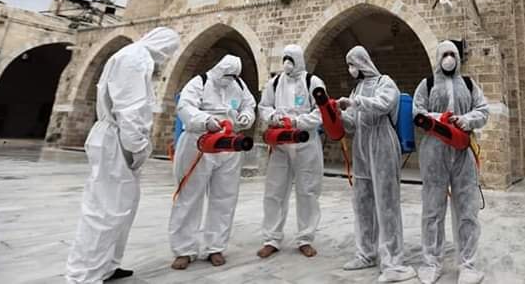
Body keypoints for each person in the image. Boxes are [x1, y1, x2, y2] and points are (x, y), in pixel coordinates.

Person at [66, 27, 180, 284]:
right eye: (171, 50)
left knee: (121, 208)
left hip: (117, 139)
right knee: (105, 210)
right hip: (117, 140)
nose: (169, 56)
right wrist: (137, 147)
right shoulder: (136, 59)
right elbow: (130, 109)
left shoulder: (135, 56)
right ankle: (83, 276)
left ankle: (107, 266)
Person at [169, 55, 256, 270]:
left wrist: (246, 116)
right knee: (190, 196)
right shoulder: (199, 82)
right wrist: (205, 121)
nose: (230, 79)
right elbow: (185, 108)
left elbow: (249, 104)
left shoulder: (238, 84)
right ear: (219, 70)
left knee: (225, 197)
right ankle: (184, 249)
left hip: (228, 144)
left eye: (234, 76)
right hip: (200, 141)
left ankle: (215, 247)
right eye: (228, 75)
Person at [412, 40, 489, 284]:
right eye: (444, 54)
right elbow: (417, 112)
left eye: (452, 54)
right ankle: (431, 262)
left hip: (463, 150)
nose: (448, 58)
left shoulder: (468, 84)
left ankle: (468, 263)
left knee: (467, 208)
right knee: (433, 208)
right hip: (434, 152)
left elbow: (483, 109)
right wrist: (441, 119)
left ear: (458, 57)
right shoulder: (427, 84)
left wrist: (466, 120)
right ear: (438, 57)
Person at [338, 46, 416, 283]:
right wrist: (339, 114)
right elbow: (351, 124)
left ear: (362, 62)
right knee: (361, 201)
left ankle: (392, 259)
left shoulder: (386, 82)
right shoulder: (356, 89)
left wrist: (354, 103)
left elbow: (383, 104)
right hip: (361, 143)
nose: (351, 69)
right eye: (348, 64)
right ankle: (366, 253)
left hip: (382, 140)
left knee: (386, 201)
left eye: (353, 63)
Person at [256, 44, 326, 258]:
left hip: (305, 142)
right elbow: (264, 106)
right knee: (274, 190)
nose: (287, 62)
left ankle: (305, 238)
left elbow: (321, 112)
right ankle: (272, 238)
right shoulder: (275, 82)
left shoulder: (312, 82)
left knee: (308, 190)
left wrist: (297, 121)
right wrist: (273, 117)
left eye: (291, 58)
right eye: (285, 57)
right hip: (280, 143)